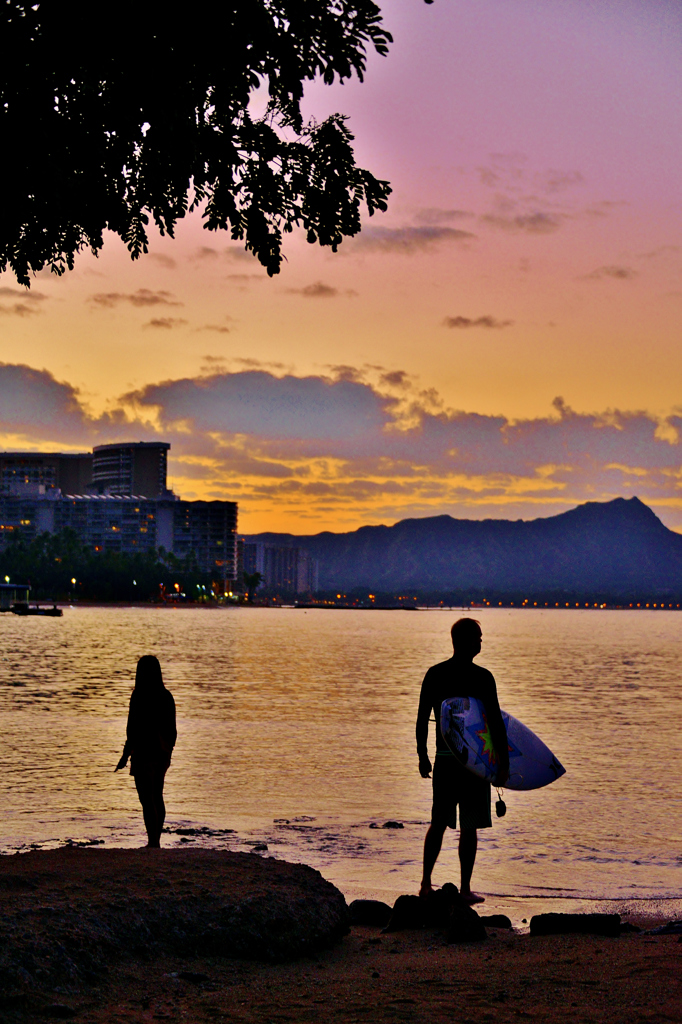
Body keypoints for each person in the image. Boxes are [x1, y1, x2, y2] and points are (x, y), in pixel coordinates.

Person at [416, 618, 508, 904]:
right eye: (478, 638)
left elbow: (421, 720)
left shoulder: (435, 674)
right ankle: (463, 890)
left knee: (441, 823)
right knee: (466, 825)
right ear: (465, 640)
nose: (481, 642)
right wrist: (502, 765)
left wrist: (423, 755)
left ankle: (426, 886)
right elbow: (494, 724)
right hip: (474, 764)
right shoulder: (483, 677)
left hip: (447, 759)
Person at [115, 655, 177, 848]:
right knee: (157, 795)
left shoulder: (139, 695)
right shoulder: (166, 696)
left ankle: (153, 842)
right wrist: (168, 751)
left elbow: (132, 729)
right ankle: (155, 841)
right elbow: (173, 731)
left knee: (146, 799)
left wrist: (125, 755)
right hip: (161, 754)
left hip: (143, 753)